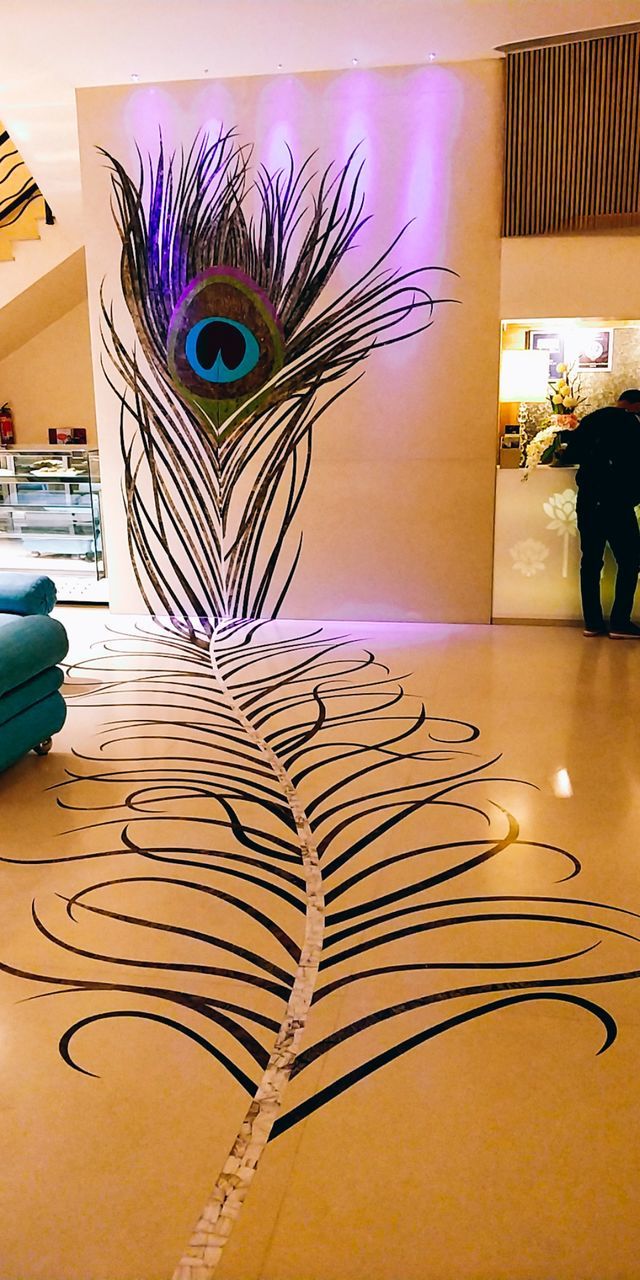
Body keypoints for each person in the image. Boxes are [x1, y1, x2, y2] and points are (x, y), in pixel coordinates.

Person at [558, 397, 640, 638]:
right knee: (630, 560)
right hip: (617, 503)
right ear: (635, 405)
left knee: (591, 563)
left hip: (588, 501)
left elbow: (571, 453)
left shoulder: (592, 420)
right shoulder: (631, 424)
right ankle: (620, 622)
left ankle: (592, 623)